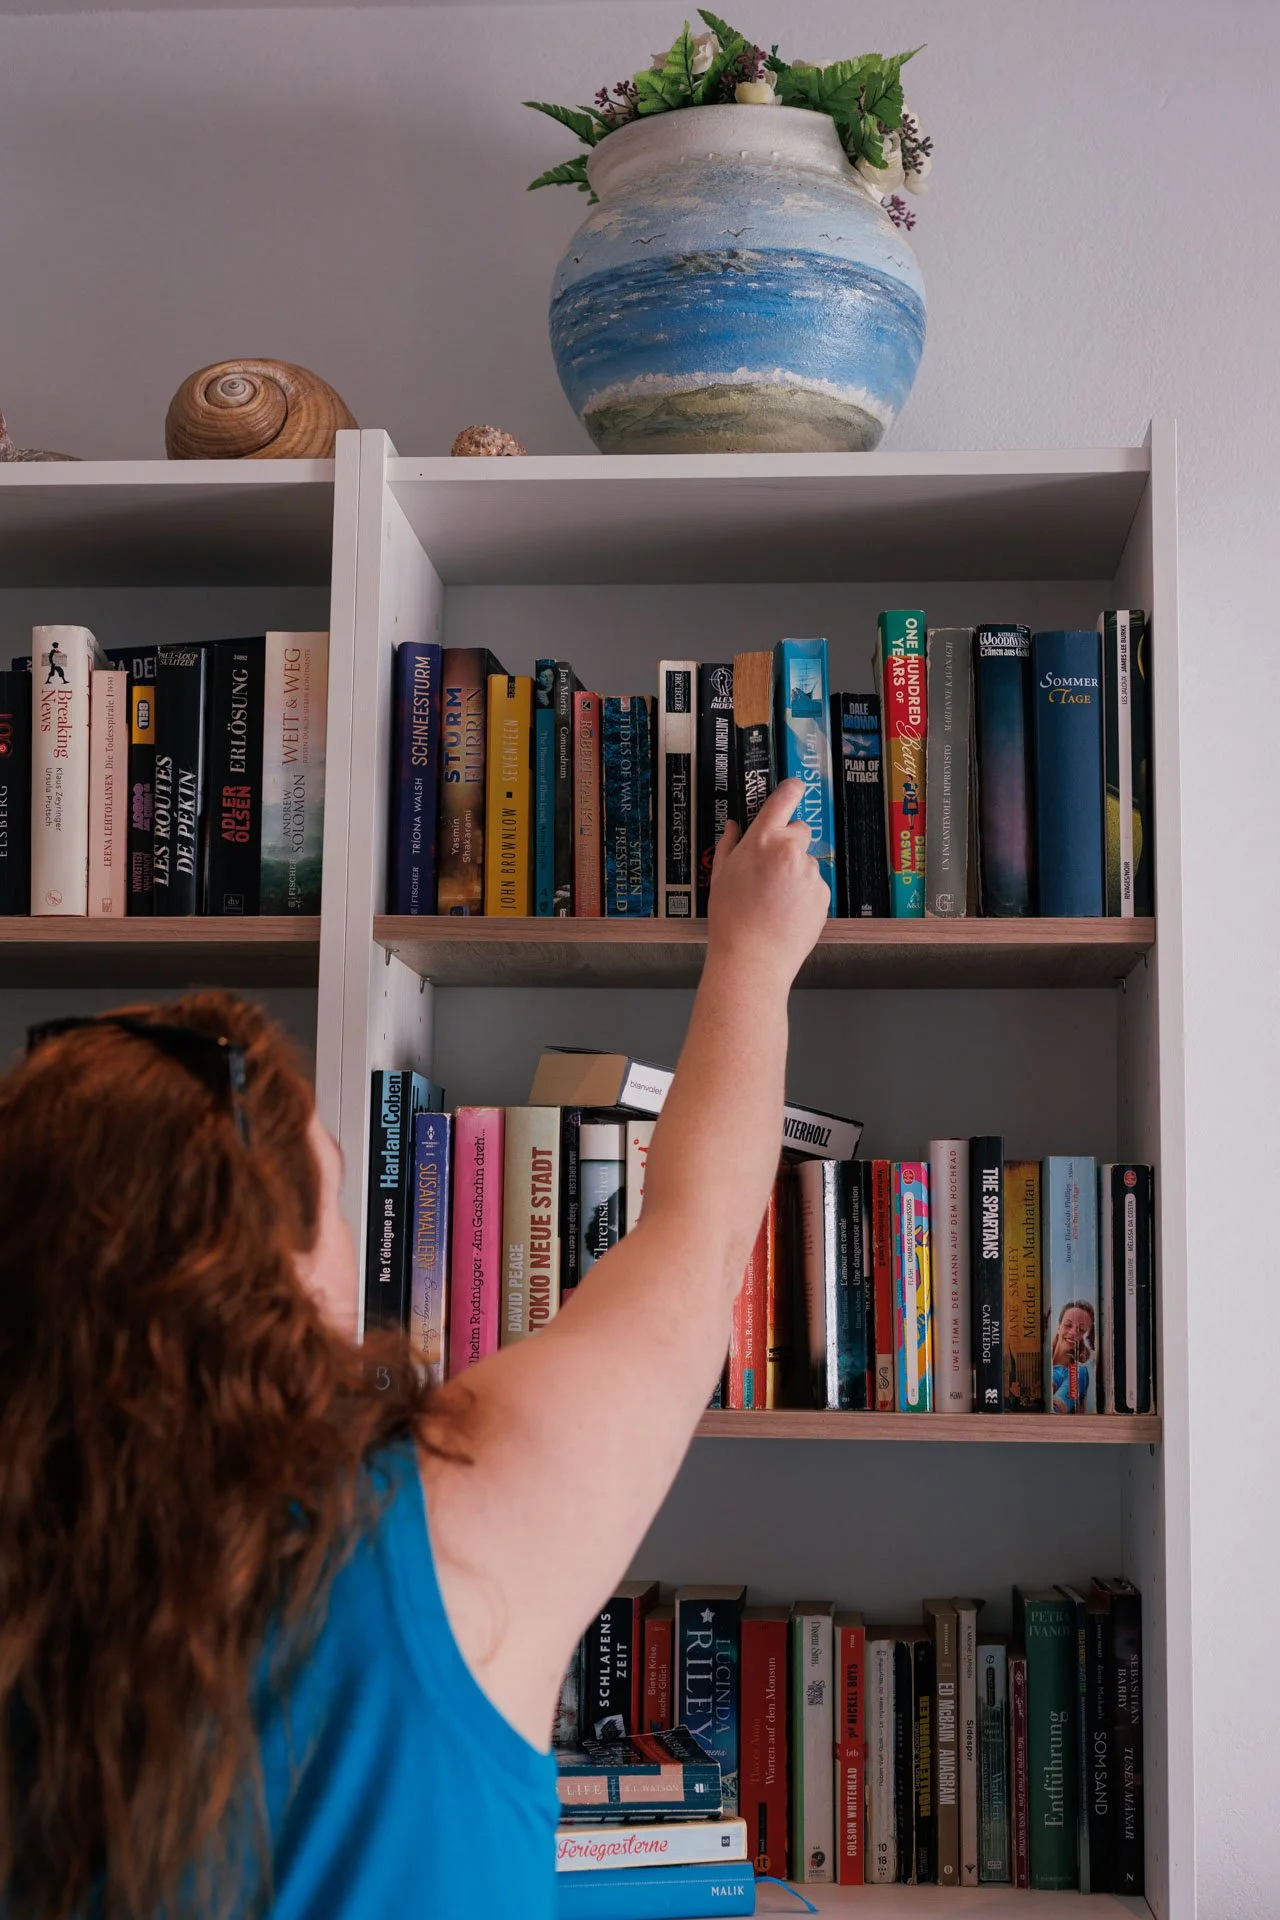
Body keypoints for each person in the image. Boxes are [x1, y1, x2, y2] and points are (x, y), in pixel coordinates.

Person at [0, 777, 828, 1920]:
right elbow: (696, 1234)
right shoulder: (450, 1520)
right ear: (277, 1264)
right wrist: (752, 952)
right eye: (337, 1195)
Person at [1050, 1298, 1097, 1413]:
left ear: (1087, 1338)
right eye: (1068, 1325)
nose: (1073, 1333)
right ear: (1058, 1327)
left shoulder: (1078, 1372)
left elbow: (1055, 1412)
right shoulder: (1040, 1359)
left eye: (1081, 1330)